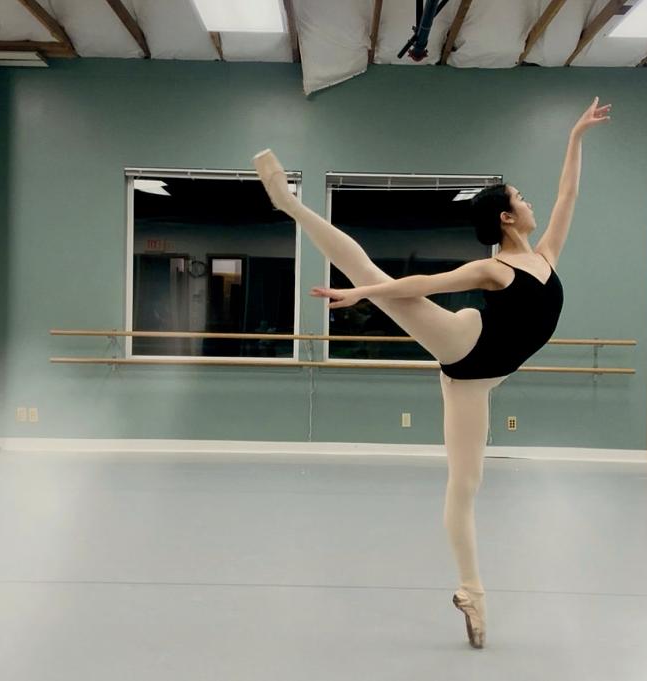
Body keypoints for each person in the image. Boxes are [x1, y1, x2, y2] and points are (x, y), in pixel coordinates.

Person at [252, 97, 611, 649]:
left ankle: (470, 594)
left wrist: (575, 136)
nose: (531, 201)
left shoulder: (546, 255)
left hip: (480, 381)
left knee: (466, 484)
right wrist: (364, 293)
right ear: (505, 217)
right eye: (521, 197)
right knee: (372, 273)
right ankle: (289, 204)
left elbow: (569, 194)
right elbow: (423, 285)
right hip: (468, 346)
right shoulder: (493, 268)